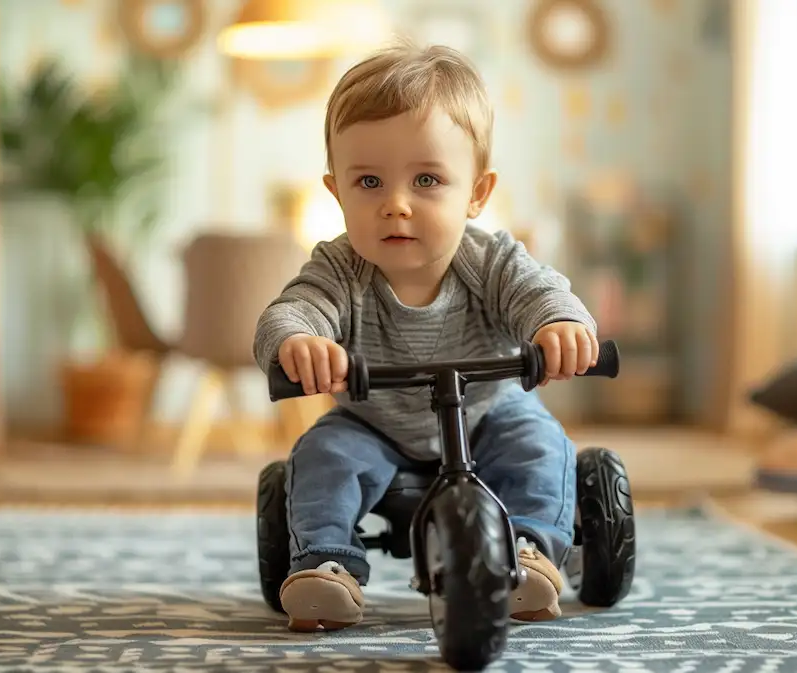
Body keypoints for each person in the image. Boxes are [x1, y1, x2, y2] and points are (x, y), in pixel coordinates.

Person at [252, 38, 599, 633]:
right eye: (368, 183)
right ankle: (325, 564)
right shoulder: (340, 270)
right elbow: (292, 311)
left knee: (541, 445)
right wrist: (299, 343)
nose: (396, 205)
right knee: (322, 453)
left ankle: (530, 550)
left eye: (428, 180)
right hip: (374, 422)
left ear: (477, 194)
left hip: (488, 415)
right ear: (335, 191)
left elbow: (542, 292)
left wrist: (560, 325)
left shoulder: (490, 261)